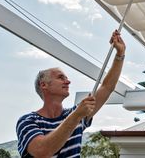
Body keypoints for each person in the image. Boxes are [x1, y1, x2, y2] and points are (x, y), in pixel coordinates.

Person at [16, 30, 126, 158]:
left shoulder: (78, 113)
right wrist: (77, 116)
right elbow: (42, 151)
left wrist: (120, 54)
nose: (68, 81)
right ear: (44, 85)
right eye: (61, 77)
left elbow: (107, 87)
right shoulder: (28, 121)